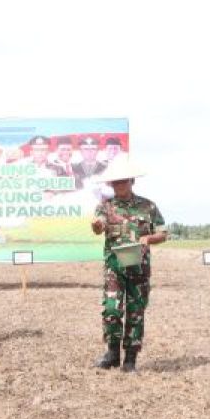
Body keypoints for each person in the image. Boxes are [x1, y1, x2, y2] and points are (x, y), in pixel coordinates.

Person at [90, 158, 168, 373]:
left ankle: (130, 360)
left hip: (139, 269)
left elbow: (163, 233)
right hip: (114, 268)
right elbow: (98, 227)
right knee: (112, 310)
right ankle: (112, 354)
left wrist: (149, 239)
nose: (119, 186)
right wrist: (97, 226)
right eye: (115, 183)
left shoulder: (148, 206)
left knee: (136, 313)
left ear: (132, 181)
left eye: (123, 181)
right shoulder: (105, 207)